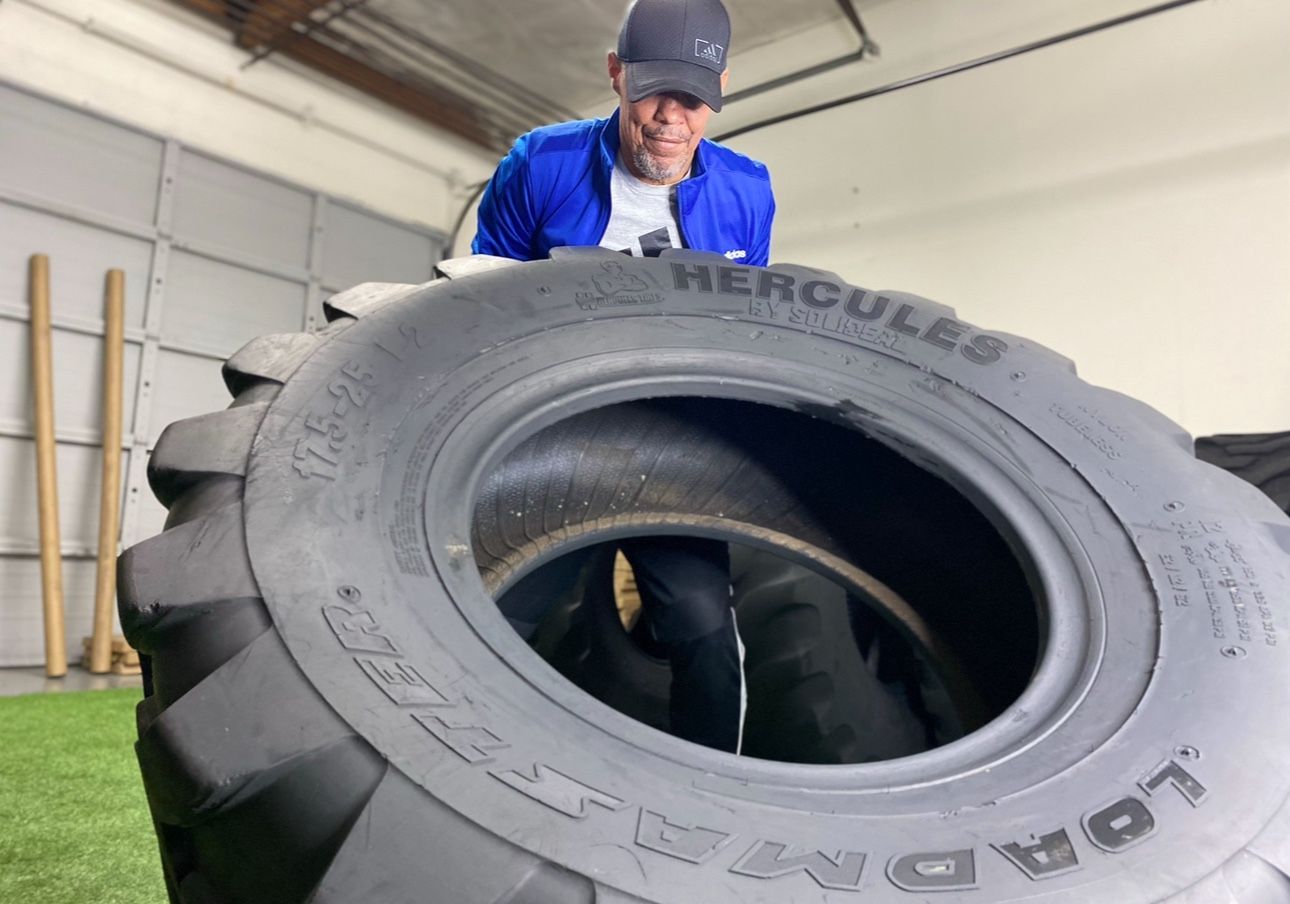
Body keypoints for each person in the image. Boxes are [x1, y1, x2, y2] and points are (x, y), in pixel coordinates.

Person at [472, 0, 775, 754]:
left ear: (721, 88)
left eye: (693, 98)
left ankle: (710, 788)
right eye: (654, 92)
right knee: (493, 612)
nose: (672, 117)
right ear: (616, 74)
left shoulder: (748, 191)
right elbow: (475, 310)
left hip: (670, 450)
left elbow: (748, 332)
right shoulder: (540, 165)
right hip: (551, 441)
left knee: (704, 631)